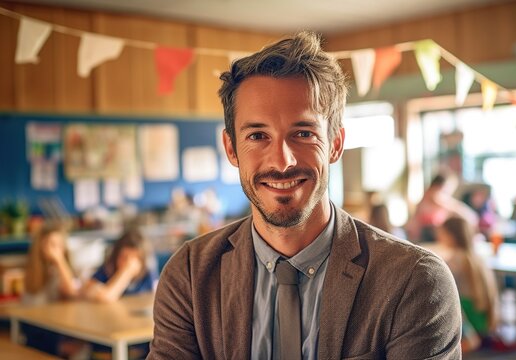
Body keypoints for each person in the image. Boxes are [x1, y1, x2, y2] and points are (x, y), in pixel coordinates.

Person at [148, 31, 461, 359]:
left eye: (303, 133)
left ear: (336, 144)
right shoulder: (189, 274)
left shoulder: (413, 281)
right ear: (231, 148)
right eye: (257, 135)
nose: (282, 161)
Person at [435, 216, 499, 352]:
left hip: (470, 324)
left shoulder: (453, 262)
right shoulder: (478, 258)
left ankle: (464, 343)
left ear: (451, 236)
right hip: (485, 321)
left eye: (442, 234)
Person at [22, 222, 82, 357]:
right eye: (51, 244)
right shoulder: (34, 270)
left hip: (59, 327)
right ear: (41, 246)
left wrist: (60, 261)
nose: (55, 250)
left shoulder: (62, 269)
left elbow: (72, 291)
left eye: (59, 245)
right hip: (37, 327)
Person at [82, 227, 158, 303]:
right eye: (124, 257)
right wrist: (126, 272)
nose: (129, 263)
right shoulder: (106, 271)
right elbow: (102, 296)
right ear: (115, 257)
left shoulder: (148, 275)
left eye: (136, 258)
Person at [406, 171, 478, 243]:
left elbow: (472, 217)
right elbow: (413, 230)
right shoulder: (423, 204)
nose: (447, 194)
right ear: (436, 187)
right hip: (427, 242)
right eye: (446, 190)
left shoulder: (447, 204)